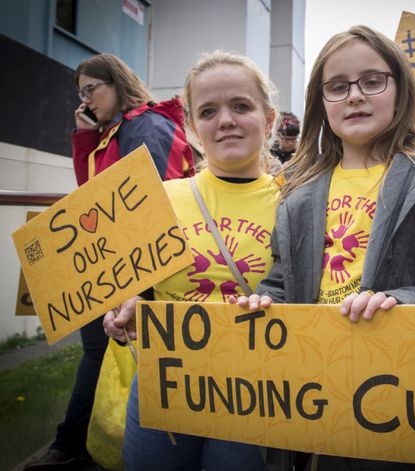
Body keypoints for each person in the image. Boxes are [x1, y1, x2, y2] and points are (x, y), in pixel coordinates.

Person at [236, 25, 415, 471]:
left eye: (372, 81)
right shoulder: (296, 196)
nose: (355, 96)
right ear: (321, 102)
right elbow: (284, 282)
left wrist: (402, 302)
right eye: (338, 87)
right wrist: (267, 301)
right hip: (319, 400)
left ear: (399, 90)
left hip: (408, 406)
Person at [103, 50, 280, 471]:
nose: (225, 120)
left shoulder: (296, 202)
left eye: (241, 106)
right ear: (192, 127)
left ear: (269, 119)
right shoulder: (158, 197)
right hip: (164, 384)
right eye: (208, 111)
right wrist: (127, 306)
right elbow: (135, 284)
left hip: (255, 392)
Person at [24, 53, 194, 470]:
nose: (85, 101)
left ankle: (81, 443)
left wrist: (137, 282)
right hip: (116, 265)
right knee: (98, 350)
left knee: (104, 351)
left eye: (91, 90)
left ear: (116, 83)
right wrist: (85, 137)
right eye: (80, 94)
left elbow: (147, 202)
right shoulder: (116, 131)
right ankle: (84, 442)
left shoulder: (146, 126)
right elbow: (92, 197)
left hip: (138, 270)